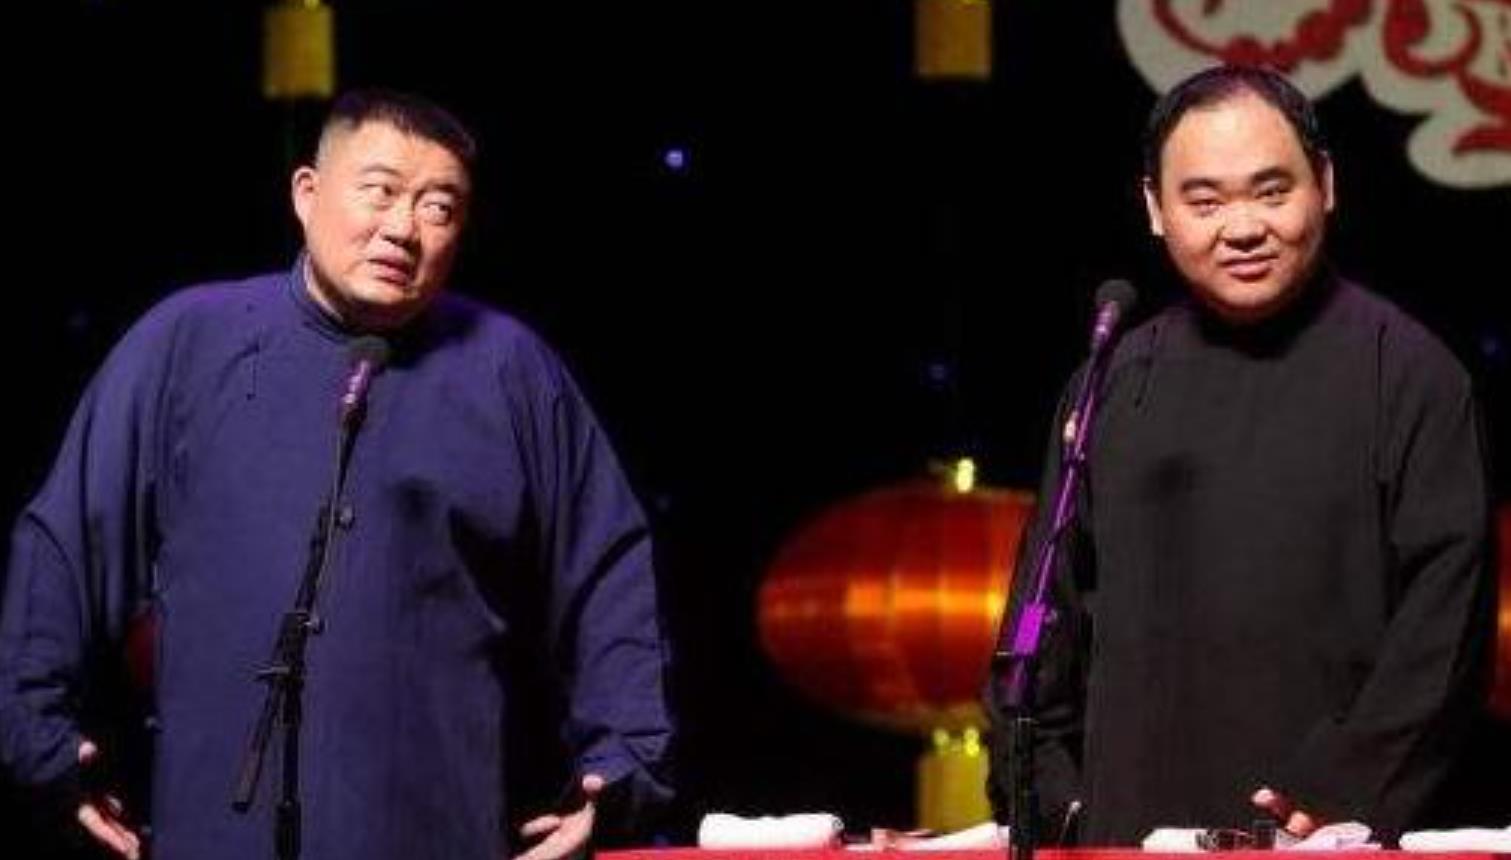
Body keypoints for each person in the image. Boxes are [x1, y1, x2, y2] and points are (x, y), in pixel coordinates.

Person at [0, 90, 674, 860]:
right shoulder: (187, 343)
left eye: (438, 208)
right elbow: (65, 544)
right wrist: (38, 740)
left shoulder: (510, 371)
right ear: (307, 194)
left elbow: (608, 569)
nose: (403, 228)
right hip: (217, 829)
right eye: (380, 191)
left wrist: (623, 765)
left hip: (439, 826)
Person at [985, 65, 1496, 846]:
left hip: (1320, 830)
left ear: (1324, 185)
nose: (1243, 227)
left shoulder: (1411, 377)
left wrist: (1344, 786)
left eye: (1270, 190)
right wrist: (1057, 803)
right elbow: (1041, 615)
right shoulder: (1111, 381)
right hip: (1125, 833)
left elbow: (1445, 632)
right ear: (1155, 208)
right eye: (1204, 201)